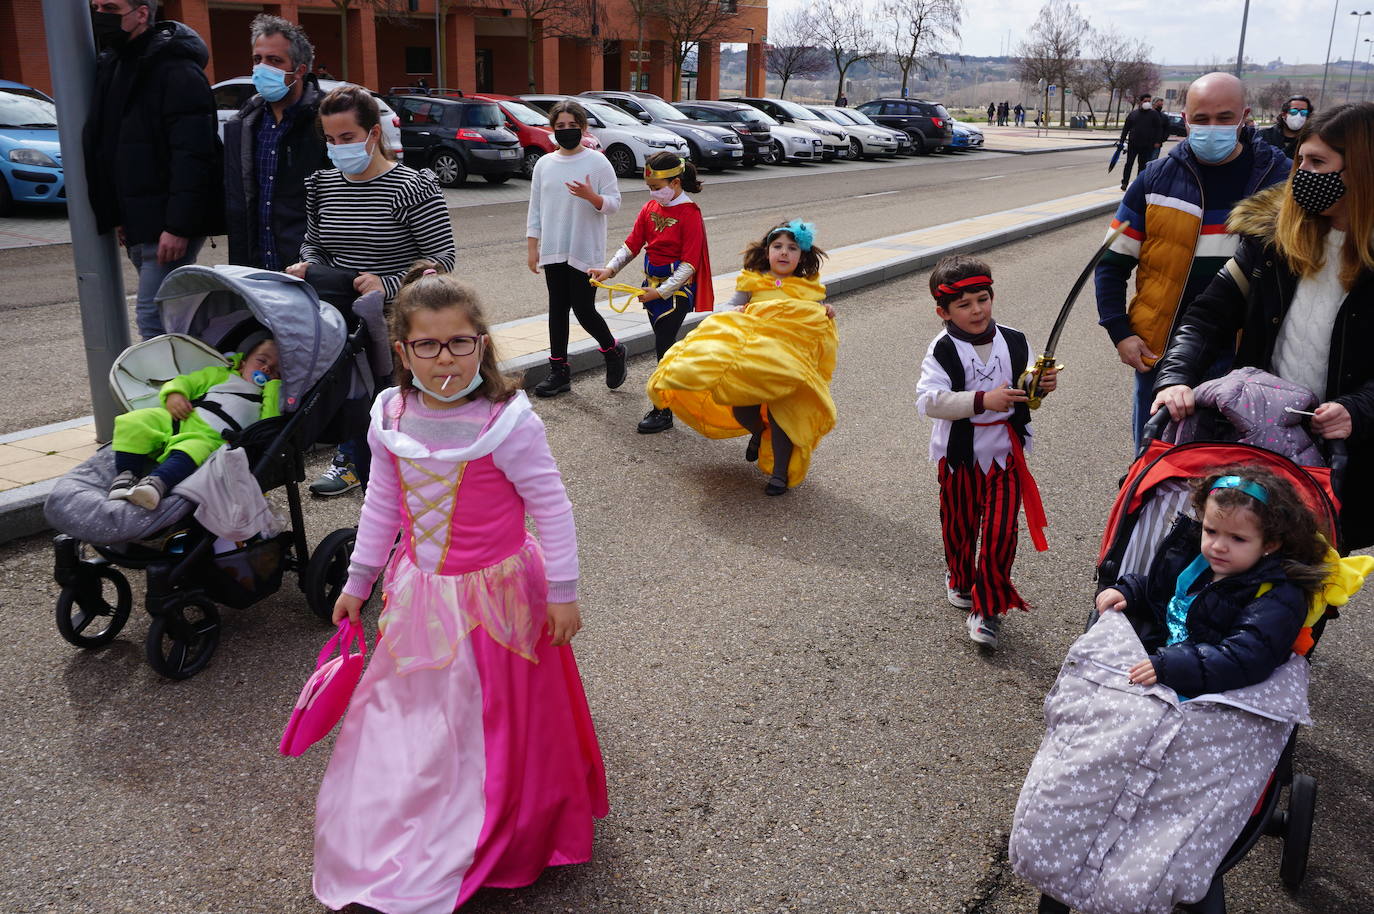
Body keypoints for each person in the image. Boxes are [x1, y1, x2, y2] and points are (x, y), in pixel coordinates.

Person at [317, 266, 607, 912]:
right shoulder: (391, 413)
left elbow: (552, 507)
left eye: (459, 342)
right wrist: (358, 581)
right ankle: (416, 808)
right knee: (410, 711)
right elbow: (382, 505)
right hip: (422, 594)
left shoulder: (507, 421)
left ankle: (501, 822)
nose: (444, 357)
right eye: (427, 344)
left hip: (499, 598)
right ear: (403, 351)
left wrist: (563, 592)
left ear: (482, 344)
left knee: (498, 719)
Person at [1152, 102, 1374, 550]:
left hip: (1341, 453)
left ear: (1363, 171)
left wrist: (1359, 408)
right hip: (1258, 435)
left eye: (1318, 163)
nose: (1302, 174)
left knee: (1310, 570)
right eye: (1300, 161)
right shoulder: (1272, 239)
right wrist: (1175, 378)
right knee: (1237, 560)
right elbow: (1207, 315)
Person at [1094, 71, 1291, 449]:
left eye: (1224, 118)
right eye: (1201, 119)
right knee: (1156, 462)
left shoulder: (1278, 180)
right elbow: (1112, 263)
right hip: (1163, 355)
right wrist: (1120, 332)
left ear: (1245, 116)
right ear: (1185, 119)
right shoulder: (1154, 180)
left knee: (1231, 472)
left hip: (1247, 362)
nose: (1211, 128)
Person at [286, 85, 455, 496]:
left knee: (399, 410)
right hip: (340, 317)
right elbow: (315, 243)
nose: (337, 147)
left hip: (398, 322)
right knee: (353, 399)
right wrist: (307, 265)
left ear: (374, 133)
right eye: (330, 139)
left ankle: (419, 482)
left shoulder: (411, 187)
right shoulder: (323, 185)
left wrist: (388, 283)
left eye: (347, 137)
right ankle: (353, 461)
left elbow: (443, 258)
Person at [916, 256, 1058, 650]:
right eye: (964, 304)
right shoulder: (942, 349)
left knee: (1000, 531)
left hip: (1006, 454)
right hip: (959, 456)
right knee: (959, 526)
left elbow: (1026, 388)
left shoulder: (1014, 340)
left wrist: (1040, 384)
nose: (977, 310)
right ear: (943, 312)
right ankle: (960, 577)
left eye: (982, 299)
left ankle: (988, 606)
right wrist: (982, 400)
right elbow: (929, 400)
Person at [646, 220, 838, 496]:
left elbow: (811, 319)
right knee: (742, 409)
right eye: (778, 246)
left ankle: (779, 475)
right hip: (751, 359)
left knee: (783, 415)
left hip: (787, 363)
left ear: (802, 255)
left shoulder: (809, 288)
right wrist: (734, 311)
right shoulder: (753, 280)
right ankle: (759, 433)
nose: (784, 252)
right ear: (767, 251)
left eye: (792, 248)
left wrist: (825, 311)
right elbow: (728, 305)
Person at [1096, 466, 1328, 694]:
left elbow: (1246, 657)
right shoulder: (1198, 562)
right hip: (1169, 662)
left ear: (1270, 544)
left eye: (1237, 539)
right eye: (1211, 531)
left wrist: (1172, 666)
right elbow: (1163, 591)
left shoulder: (1278, 595)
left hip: (1217, 688)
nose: (1218, 546)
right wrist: (1132, 592)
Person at [84, 0, 222, 341]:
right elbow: (112, 147)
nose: (99, 16)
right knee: (172, 318)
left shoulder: (176, 71)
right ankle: (199, 369)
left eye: (110, 8)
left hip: (168, 224)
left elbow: (194, 154)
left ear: (142, 13)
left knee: (154, 318)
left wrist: (178, 226)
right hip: (138, 219)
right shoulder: (115, 66)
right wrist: (117, 213)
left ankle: (176, 378)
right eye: (96, 6)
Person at [587, 151, 713, 434]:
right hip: (652, 288)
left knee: (664, 349)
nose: (653, 193)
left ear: (675, 183)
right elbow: (632, 244)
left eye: (657, 187)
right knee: (664, 347)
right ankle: (674, 397)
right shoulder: (650, 208)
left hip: (675, 293)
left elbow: (689, 264)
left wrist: (662, 293)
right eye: (650, 188)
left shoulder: (690, 214)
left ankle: (663, 410)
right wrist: (609, 270)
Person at [525, 100, 627, 398]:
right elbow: (535, 209)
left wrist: (591, 196)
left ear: (583, 128)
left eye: (572, 125)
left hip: (585, 249)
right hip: (553, 248)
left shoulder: (598, 163)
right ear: (552, 129)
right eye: (560, 126)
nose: (566, 130)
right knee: (557, 309)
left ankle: (613, 351)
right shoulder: (544, 164)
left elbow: (614, 205)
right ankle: (559, 371)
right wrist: (533, 247)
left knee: (583, 309)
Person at [108, 334, 281, 509]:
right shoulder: (220, 374)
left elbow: (269, 424)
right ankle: (126, 476)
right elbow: (187, 381)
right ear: (243, 363)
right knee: (135, 421)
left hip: (209, 437)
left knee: (192, 451)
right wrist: (175, 394)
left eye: (276, 370)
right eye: (261, 360)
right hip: (181, 418)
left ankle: (156, 483)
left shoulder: (264, 400)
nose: (266, 368)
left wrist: (273, 388)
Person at [224, 14, 330, 271]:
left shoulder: (326, 120)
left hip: (309, 270)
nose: (262, 68)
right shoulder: (244, 124)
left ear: (300, 70)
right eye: (257, 59)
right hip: (256, 268)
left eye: (274, 60)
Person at [1116, 94, 1160, 189]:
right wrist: (1121, 141)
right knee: (1129, 163)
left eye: (1149, 101)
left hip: (1147, 145)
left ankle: (1138, 184)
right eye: (1145, 101)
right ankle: (1125, 182)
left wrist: (1157, 141)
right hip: (1133, 144)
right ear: (1140, 102)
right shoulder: (1133, 114)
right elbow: (1126, 129)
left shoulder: (1154, 114)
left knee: (1142, 165)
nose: (1147, 103)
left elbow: (1158, 129)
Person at [1257, 94, 1312, 160]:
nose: (1298, 116)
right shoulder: (1264, 136)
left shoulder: (1310, 140)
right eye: (1294, 112)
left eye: (1303, 112)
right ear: (1284, 114)